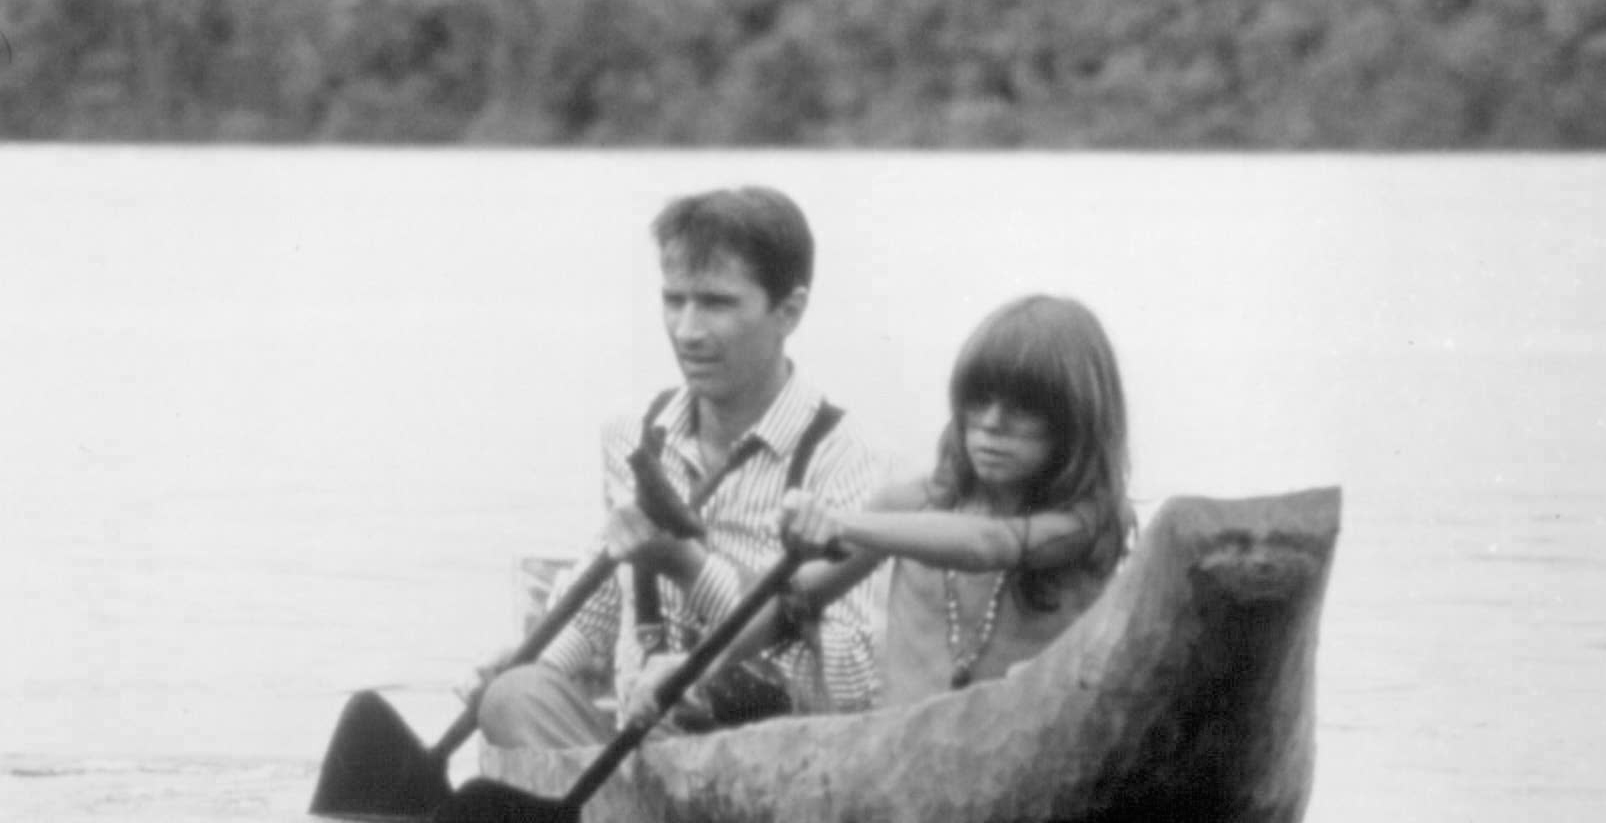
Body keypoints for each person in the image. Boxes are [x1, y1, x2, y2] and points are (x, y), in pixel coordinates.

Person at [474, 186, 879, 749]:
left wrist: (691, 569)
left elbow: (855, 681)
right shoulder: (636, 433)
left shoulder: (842, 455)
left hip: (769, 748)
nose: (687, 331)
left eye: (716, 303)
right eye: (674, 300)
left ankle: (578, 820)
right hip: (636, 738)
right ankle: (588, 809)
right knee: (513, 694)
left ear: (789, 311)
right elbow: (605, 590)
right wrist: (533, 661)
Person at [701, 294, 1135, 709]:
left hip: (1027, 768)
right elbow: (795, 602)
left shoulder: (1089, 520)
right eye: (980, 399)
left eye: (1024, 407)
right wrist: (698, 666)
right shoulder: (909, 504)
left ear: (1075, 420)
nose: (991, 423)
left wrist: (842, 525)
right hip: (902, 763)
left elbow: (990, 544)